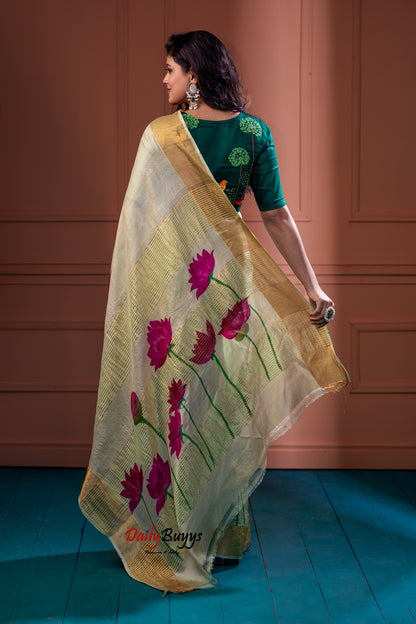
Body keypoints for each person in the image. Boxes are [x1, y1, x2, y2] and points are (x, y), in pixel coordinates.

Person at [79, 30, 348, 594]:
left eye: (171, 70)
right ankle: (214, 536)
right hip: (224, 285)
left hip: (187, 285)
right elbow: (276, 216)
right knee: (218, 400)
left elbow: (143, 229)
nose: (164, 79)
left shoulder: (165, 135)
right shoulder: (246, 133)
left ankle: (188, 534)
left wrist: (312, 287)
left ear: (194, 74)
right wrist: (313, 287)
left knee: (186, 404)